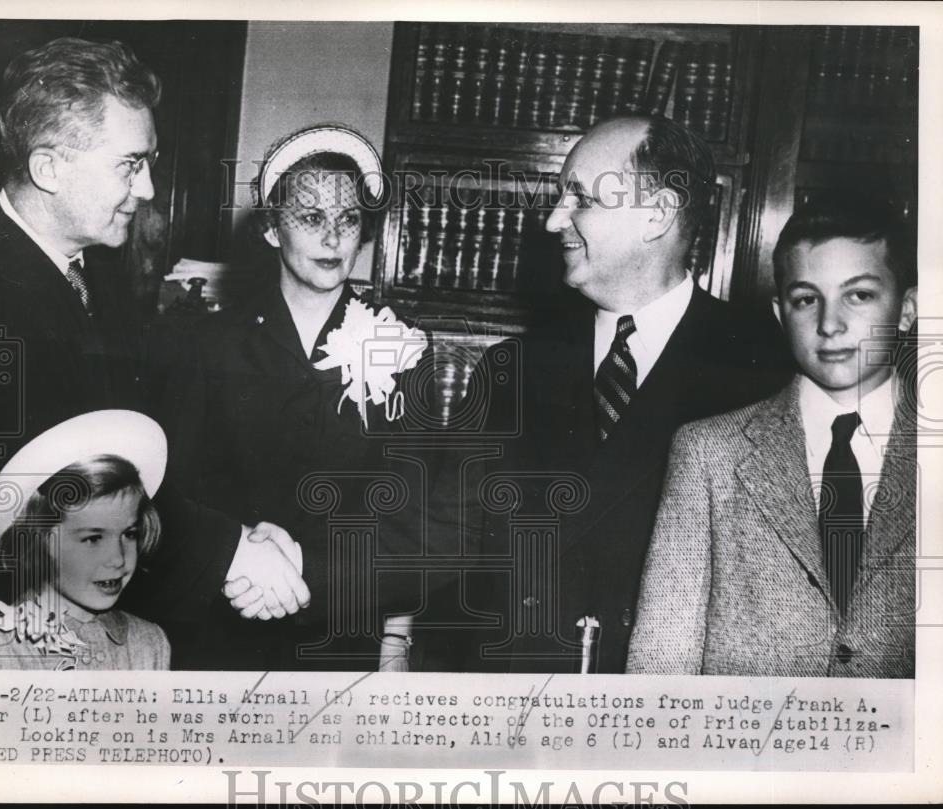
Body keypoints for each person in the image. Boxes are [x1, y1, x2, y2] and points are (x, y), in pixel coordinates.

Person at [0, 37, 306, 638]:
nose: (148, 189)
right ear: (49, 168)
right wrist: (229, 551)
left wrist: (241, 530)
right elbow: (60, 489)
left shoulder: (95, 264)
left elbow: (130, 448)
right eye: (129, 164)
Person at [450, 115, 792, 674]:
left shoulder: (766, 372)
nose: (555, 219)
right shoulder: (508, 370)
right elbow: (447, 549)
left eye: (580, 199)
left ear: (656, 215)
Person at [162, 124, 430, 670]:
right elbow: (173, 493)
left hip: (340, 627)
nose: (334, 239)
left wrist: (395, 642)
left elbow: (410, 509)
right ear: (270, 231)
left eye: (349, 219)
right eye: (311, 218)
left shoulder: (398, 345)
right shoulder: (211, 344)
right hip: (226, 620)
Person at [626, 199, 917, 678]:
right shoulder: (709, 454)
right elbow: (661, 659)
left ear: (907, 310)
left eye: (858, 295)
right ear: (781, 315)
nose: (829, 324)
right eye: (806, 299)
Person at [0, 410, 171, 670]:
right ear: (39, 541)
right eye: (93, 538)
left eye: (129, 534)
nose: (118, 559)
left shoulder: (150, 643)